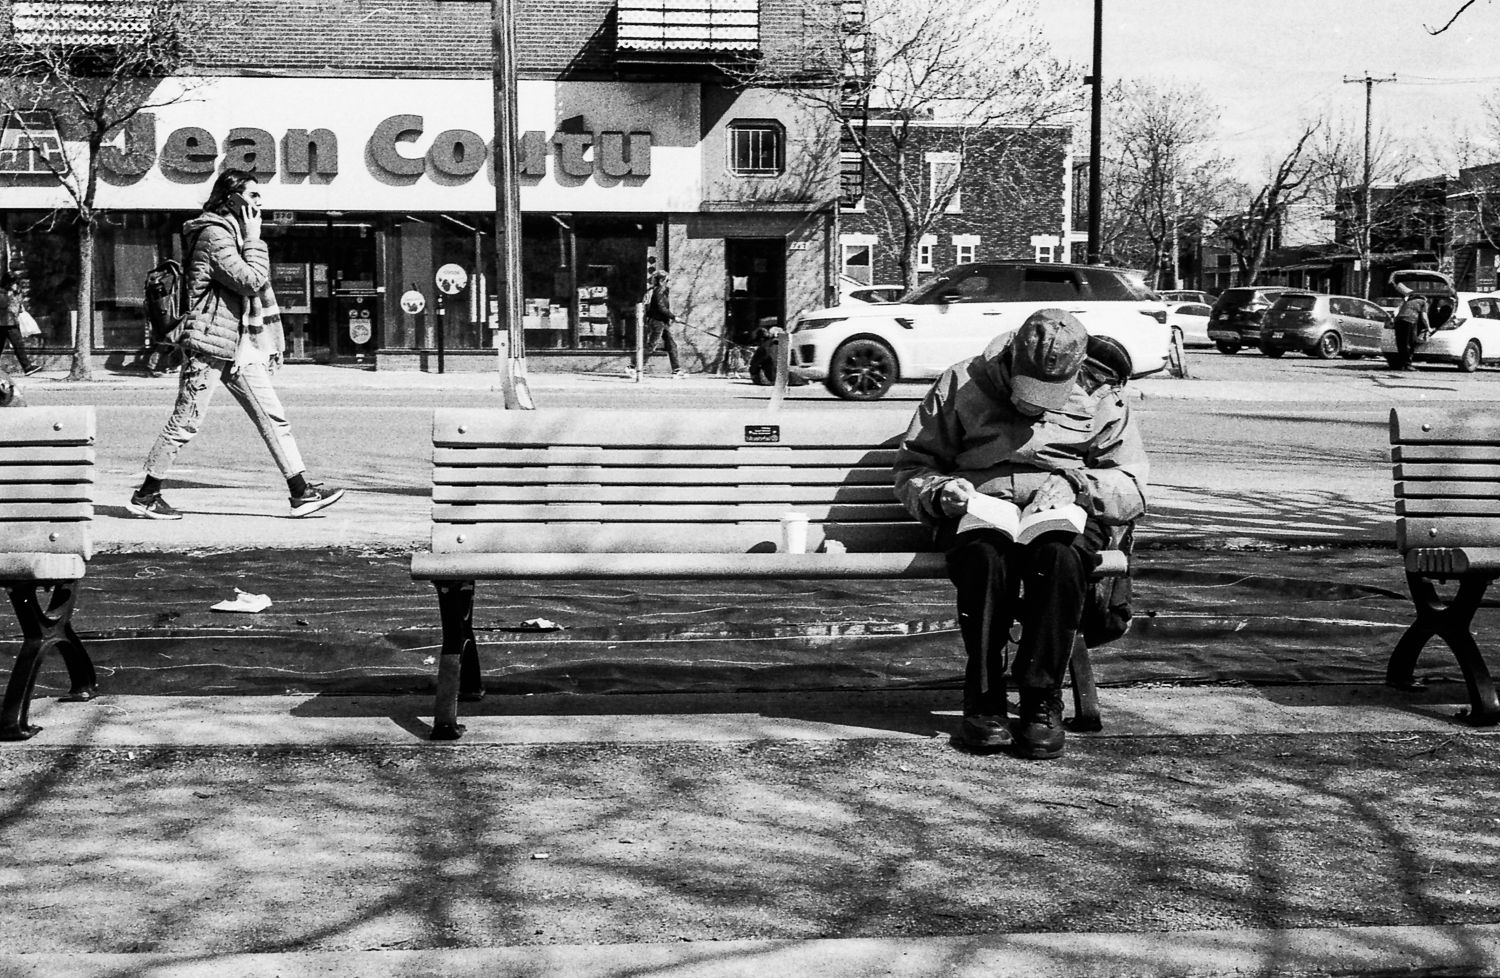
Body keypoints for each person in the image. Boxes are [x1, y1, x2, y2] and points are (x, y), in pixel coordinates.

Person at [893, 309, 1148, 760]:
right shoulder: (961, 382)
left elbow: (1131, 484)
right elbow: (915, 465)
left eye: (1051, 393)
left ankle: (1040, 698)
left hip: (1064, 511)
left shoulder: (1103, 395)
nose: (1036, 405)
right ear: (1011, 359)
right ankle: (985, 699)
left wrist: (1079, 483)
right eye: (1028, 390)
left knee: (1061, 557)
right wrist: (938, 492)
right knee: (985, 556)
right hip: (979, 508)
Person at [128, 169, 344, 521]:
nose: (260, 202)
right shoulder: (214, 235)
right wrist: (256, 239)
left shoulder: (230, 234)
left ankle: (301, 492)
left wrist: (249, 239)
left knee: (273, 417)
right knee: (186, 421)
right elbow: (251, 280)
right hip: (211, 343)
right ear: (232, 199)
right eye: (253, 195)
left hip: (237, 345)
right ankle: (146, 496)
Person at [633, 268, 684, 379]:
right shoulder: (659, 291)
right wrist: (673, 317)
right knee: (651, 345)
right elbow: (661, 307)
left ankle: (676, 370)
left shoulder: (656, 290)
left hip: (661, 321)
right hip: (658, 322)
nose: (668, 283)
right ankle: (633, 366)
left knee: (671, 344)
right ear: (662, 281)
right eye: (667, 280)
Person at [0, 273, 39, 377]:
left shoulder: (12, 293)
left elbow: (19, 308)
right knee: (18, 345)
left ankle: (27, 367)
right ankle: (27, 367)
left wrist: (16, 295)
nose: (15, 285)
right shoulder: (4, 293)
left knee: (17, 345)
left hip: (9, 322)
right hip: (8, 323)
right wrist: (12, 295)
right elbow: (5, 306)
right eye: (14, 282)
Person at [1391, 282, 1429, 371]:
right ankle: (1408, 365)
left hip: (1398, 321)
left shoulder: (1407, 301)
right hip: (1409, 321)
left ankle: (1402, 364)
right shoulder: (1423, 302)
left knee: (1401, 343)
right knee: (1409, 343)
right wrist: (1429, 327)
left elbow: (1396, 312)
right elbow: (1424, 317)